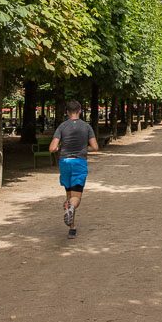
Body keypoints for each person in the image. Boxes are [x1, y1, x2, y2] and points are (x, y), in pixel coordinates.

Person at [49, 100, 99, 239]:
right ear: (80, 111)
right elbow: (95, 147)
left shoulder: (62, 126)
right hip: (79, 162)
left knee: (69, 195)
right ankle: (70, 209)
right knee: (76, 198)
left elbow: (52, 148)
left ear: (67, 112)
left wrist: (60, 148)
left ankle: (72, 228)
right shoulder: (86, 127)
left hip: (64, 162)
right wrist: (84, 149)